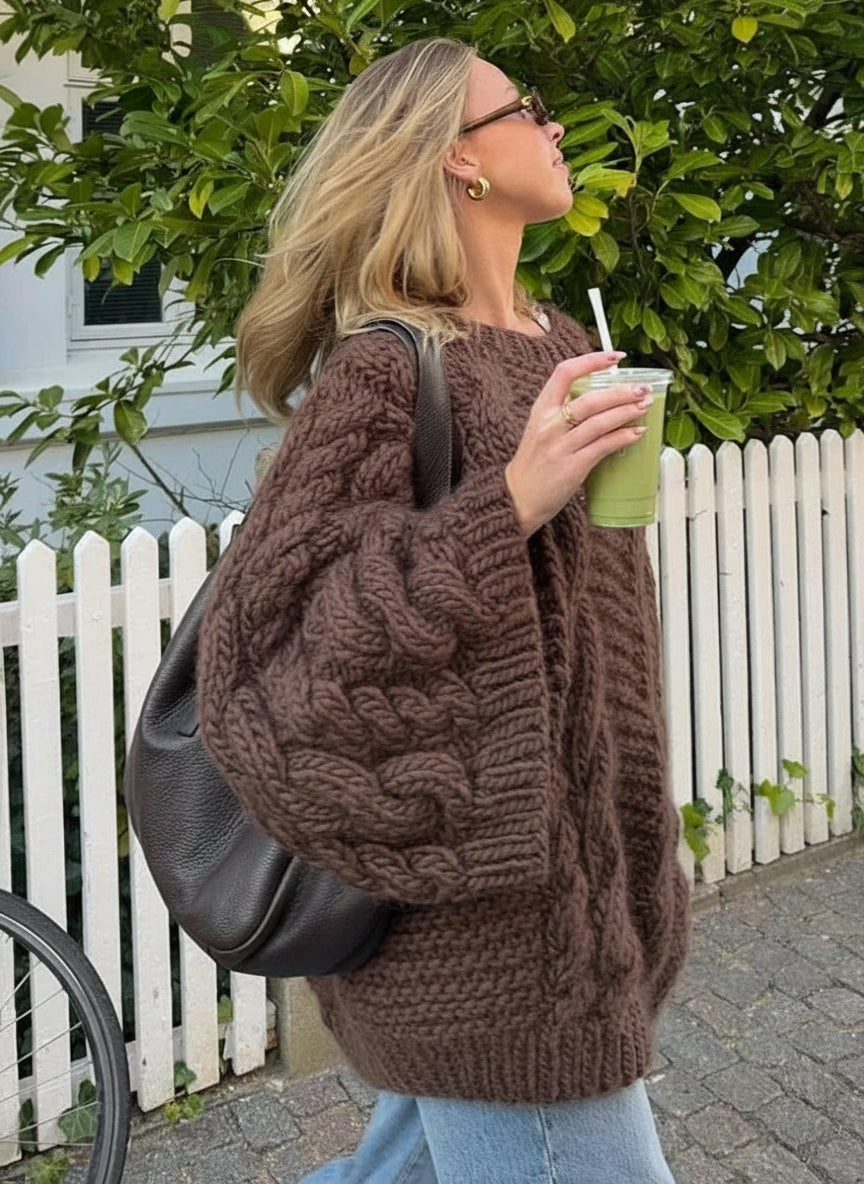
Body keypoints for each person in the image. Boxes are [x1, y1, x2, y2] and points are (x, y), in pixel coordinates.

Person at [197, 36, 691, 1184]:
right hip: (494, 942)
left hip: (589, 890)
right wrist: (511, 499)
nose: (555, 126)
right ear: (458, 161)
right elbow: (274, 655)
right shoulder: (388, 368)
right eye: (528, 109)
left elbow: (590, 636)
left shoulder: (559, 343)